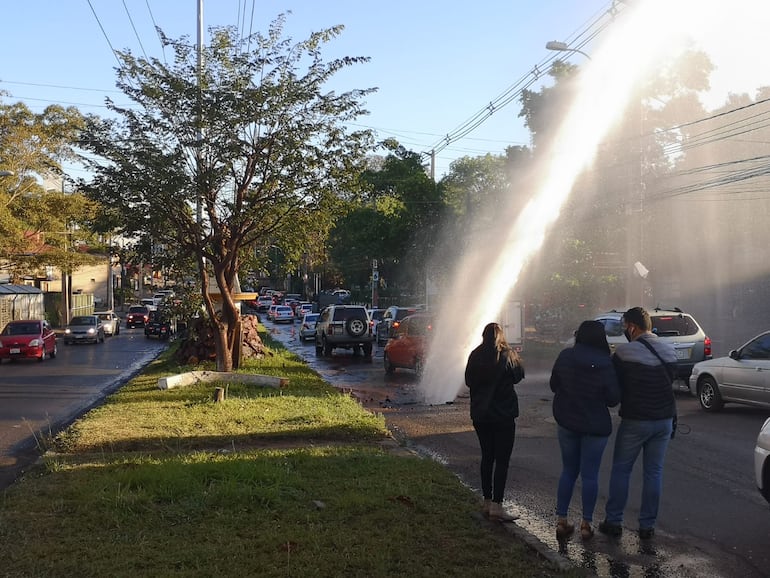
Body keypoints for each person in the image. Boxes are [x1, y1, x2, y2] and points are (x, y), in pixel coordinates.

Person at [599, 306, 677, 540]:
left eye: (624, 326)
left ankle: (613, 521)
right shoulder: (669, 351)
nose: (624, 330)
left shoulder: (624, 354)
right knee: (654, 473)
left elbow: (614, 384)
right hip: (663, 420)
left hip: (636, 420)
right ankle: (647, 526)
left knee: (622, 470)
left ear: (631, 327)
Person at [550, 320, 620, 541]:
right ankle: (586, 524)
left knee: (568, 471)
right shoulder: (606, 363)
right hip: (595, 426)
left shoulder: (565, 356)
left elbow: (554, 385)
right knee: (590, 475)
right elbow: (613, 399)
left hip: (567, 422)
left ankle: (562, 520)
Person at [464, 322, 525, 522]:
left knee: (487, 457)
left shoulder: (475, 355)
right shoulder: (507, 355)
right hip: (504, 416)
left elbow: (468, 381)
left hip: (481, 416)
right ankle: (498, 506)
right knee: (502, 461)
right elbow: (519, 375)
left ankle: (487, 502)